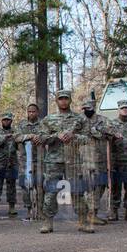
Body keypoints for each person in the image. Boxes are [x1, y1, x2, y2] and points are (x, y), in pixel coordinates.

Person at [35, 90, 80, 233]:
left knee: (78, 189)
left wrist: (73, 136)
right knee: (51, 190)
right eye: (61, 99)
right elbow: (41, 138)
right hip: (54, 160)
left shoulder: (79, 119)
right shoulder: (49, 119)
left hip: (73, 160)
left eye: (66, 98)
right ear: (56, 101)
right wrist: (56, 136)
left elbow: (88, 137)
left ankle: (83, 219)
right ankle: (48, 222)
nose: (64, 101)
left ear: (70, 100)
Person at [73, 97, 111, 232]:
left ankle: (94, 213)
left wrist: (98, 132)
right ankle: (88, 214)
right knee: (89, 186)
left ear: (93, 108)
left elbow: (110, 133)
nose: (86, 111)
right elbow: (72, 135)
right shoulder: (78, 120)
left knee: (100, 186)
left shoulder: (103, 120)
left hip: (101, 157)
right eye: (84, 109)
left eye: (88, 108)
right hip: (84, 158)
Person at [13, 103, 41, 220]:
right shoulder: (22, 125)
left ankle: (39, 210)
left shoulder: (43, 124)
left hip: (40, 160)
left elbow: (47, 136)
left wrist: (39, 137)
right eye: (29, 112)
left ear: (37, 112)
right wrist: (29, 136)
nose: (31, 113)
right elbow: (16, 137)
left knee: (40, 185)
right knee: (25, 186)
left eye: (33, 111)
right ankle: (29, 209)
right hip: (24, 161)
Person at [0, 113, 19, 217]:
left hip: (12, 163)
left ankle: (12, 207)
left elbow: (20, 145)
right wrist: (4, 138)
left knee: (11, 186)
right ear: (1, 121)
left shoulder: (15, 132)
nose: (6, 121)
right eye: (4, 120)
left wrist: (16, 139)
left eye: (8, 120)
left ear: (11, 121)